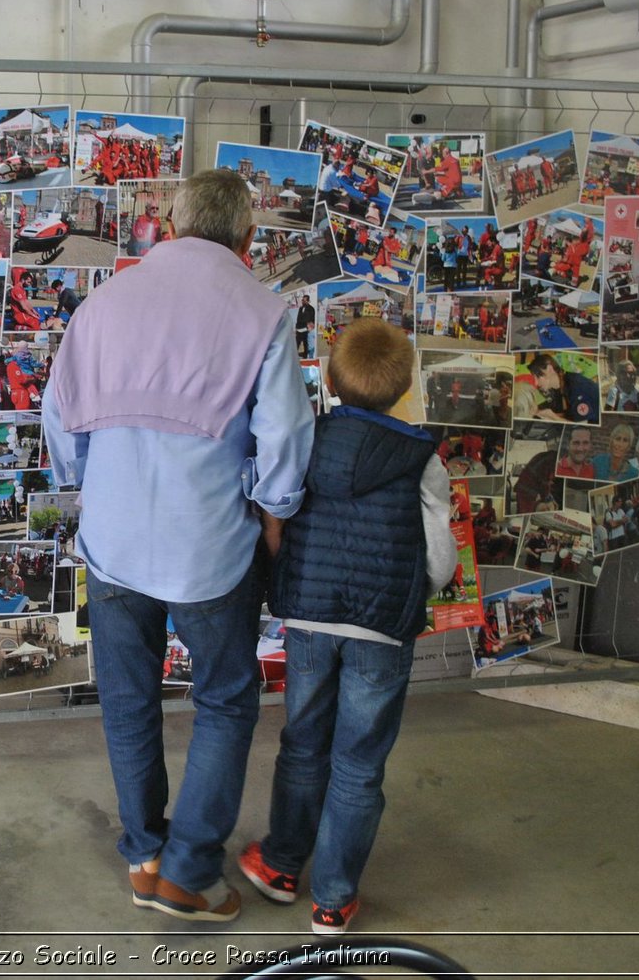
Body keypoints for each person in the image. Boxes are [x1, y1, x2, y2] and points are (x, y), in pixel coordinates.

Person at [42, 168, 314, 924]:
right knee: (225, 701)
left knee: (128, 702)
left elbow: (60, 421)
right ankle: (190, 872)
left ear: (165, 221)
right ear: (248, 237)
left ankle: (144, 854)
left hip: (113, 539)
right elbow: (287, 434)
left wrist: (91, 484)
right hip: (210, 546)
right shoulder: (263, 311)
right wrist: (275, 512)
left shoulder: (103, 302)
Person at [238, 317, 457, 936]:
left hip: (309, 619)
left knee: (303, 743)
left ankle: (281, 866)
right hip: (382, 631)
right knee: (359, 765)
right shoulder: (422, 459)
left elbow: (277, 515)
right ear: (404, 384)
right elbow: (439, 567)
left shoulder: (308, 440)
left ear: (329, 379)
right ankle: (332, 901)